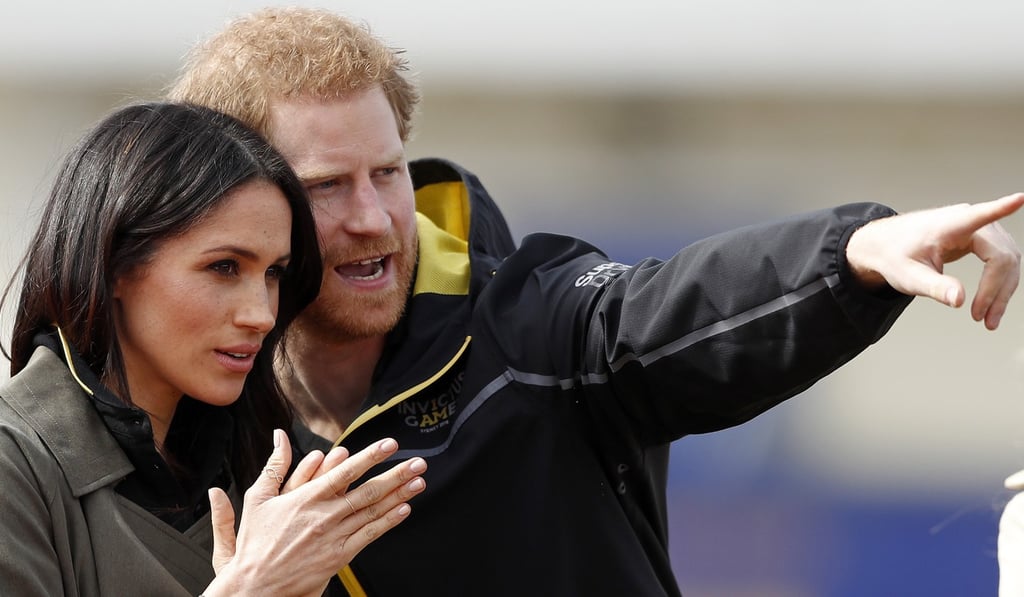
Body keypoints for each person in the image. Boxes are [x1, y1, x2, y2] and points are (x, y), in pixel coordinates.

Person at [169, 7, 1024, 596]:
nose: (373, 217)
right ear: (242, 206)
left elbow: (661, 310)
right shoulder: (188, 413)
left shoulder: (530, 329)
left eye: (387, 172)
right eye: (327, 185)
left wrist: (851, 252)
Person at [0, 102, 428, 597]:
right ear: (116, 265)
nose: (262, 314)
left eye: (274, 273)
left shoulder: (273, 468)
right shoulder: (17, 466)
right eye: (224, 267)